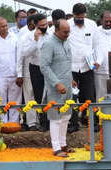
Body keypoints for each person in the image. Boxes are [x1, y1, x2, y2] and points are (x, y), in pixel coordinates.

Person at [40, 19, 75, 157]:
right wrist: (57, 83)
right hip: (55, 88)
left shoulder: (66, 42)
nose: (68, 34)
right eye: (65, 32)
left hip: (67, 86)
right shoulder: (48, 44)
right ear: (56, 30)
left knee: (66, 116)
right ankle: (56, 148)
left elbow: (66, 64)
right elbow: (44, 66)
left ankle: (63, 144)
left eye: (69, 31)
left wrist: (71, 80)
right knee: (56, 118)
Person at [68, 3, 102, 131]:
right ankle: (73, 124)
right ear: (73, 14)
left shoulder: (92, 25)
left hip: (87, 67)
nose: (80, 19)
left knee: (90, 96)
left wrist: (98, 60)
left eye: (82, 17)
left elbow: (97, 45)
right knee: (72, 97)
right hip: (71, 67)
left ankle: (93, 123)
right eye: (78, 17)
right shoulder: (67, 24)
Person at [0, 16, 22, 123]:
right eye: (2, 26)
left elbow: (19, 57)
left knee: (15, 101)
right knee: (0, 100)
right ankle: (2, 124)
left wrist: (20, 74)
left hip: (14, 73)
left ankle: (14, 123)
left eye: (6, 25)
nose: (5, 28)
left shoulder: (15, 37)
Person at [21, 14, 52, 131]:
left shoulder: (52, 34)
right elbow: (25, 53)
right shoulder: (28, 36)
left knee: (50, 94)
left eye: (46, 24)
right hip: (36, 68)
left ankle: (51, 121)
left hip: (50, 68)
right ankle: (43, 122)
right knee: (39, 96)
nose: (45, 26)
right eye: (42, 25)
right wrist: (35, 40)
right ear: (35, 25)